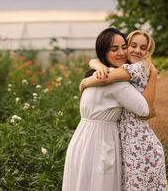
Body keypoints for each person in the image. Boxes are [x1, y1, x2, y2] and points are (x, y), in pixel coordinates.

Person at [62, 28, 156, 191]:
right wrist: (153, 75)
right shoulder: (116, 83)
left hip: (81, 141)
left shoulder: (93, 75)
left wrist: (86, 81)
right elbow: (144, 110)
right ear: (103, 52)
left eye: (123, 47)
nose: (121, 52)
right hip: (102, 144)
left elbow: (94, 64)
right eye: (114, 49)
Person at [82, 30, 168, 190]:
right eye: (133, 45)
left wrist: (86, 82)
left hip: (139, 146)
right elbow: (95, 60)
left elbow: (107, 77)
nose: (137, 50)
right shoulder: (131, 68)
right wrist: (97, 64)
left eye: (143, 48)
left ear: (148, 53)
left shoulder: (138, 68)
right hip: (130, 143)